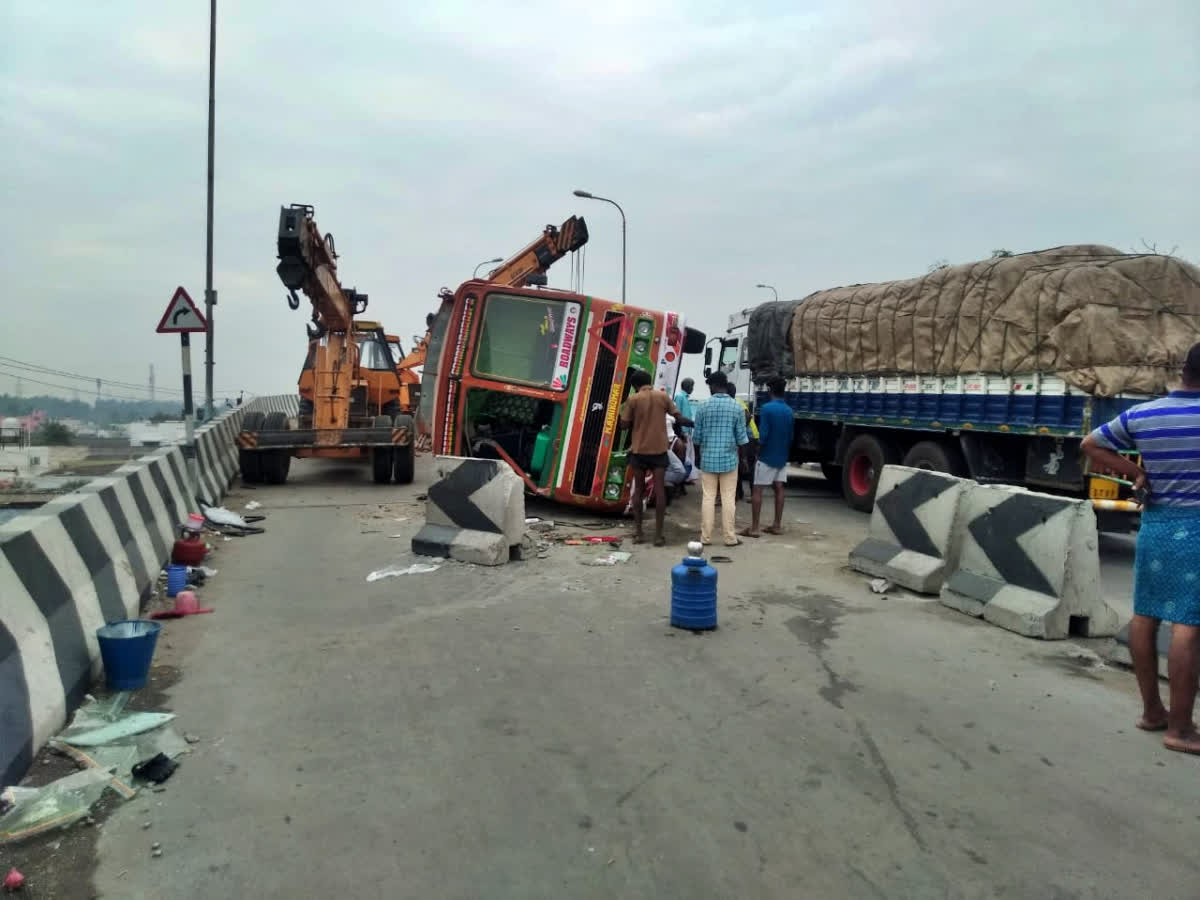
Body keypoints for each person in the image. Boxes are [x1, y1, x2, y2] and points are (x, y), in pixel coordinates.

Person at [1081, 342, 1200, 756]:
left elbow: (1091, 445)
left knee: (1145, 615)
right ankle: (1181, 729)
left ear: (1184, 371)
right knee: (1189, 625)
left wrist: (1137, 473)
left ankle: (1153, 711)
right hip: (1197, 529)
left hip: (1156, 525)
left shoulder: (1145, 413)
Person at [619, 369, 692, 545]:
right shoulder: (662, 397)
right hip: (659, 450)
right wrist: (691, 423)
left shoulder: (633, 399)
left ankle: (638, 533)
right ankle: (658, 536)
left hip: (639, 451)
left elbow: (624, 425)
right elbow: (678, 417)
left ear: (635, 386)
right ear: (649, 381)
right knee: (660, 491)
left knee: (639, 491)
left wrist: (627, 416)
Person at [692, 371, 749, 546]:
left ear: (716, 385)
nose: (709, 389)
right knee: (728, 498)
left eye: (710, 386)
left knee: (708, 498)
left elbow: (697, 437)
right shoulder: (737, 407)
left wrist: (697, 457)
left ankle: (705, 538)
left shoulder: (703, 406)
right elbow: (742, 438)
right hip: (729, 460)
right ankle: (730, 538)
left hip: (708, 459)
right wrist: (744, 460)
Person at [741, 377, 794, 537]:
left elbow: (763, 435)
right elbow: (790, 436)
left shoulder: (767, 408)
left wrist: (758, 451)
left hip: (766, 456)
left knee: (757, 489)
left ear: (770, 391)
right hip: (781, 456)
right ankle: (777, 525)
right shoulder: (789, 410)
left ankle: (755, 528)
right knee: (779, 488)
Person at [724, 383, 758, 500]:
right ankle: (739, 493)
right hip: (747, 437)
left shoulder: (736, 402)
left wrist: (739, 431)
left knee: (748, 466)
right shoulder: (735, 401)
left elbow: (747, 416)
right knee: (738, 465)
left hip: (750, 437)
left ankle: (754, 494)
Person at [674, 378, 699, 481]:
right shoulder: (680, 397)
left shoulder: (684, 397)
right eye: (692, 386)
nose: (692, 389)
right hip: (683, 431)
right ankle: (683, 479)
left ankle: (687, 478)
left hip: (687, 431)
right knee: (684, 457)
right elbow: (677, 415)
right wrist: (681, 432)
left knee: (689, 456)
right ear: (688, 386)